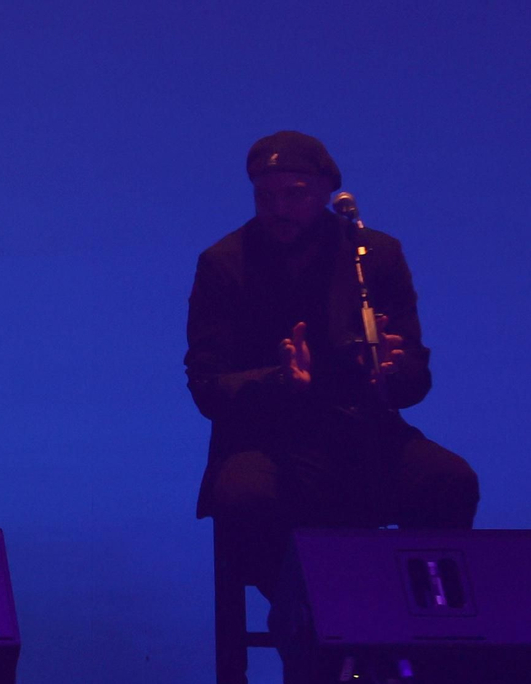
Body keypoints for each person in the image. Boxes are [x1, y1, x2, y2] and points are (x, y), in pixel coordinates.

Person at [184, 131, 479, 633]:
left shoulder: (374, 255)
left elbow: (415, 379)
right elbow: (207, 385)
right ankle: (316, 626)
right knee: (244, 499)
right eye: (265, 196)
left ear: (325, 191)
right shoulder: (224, 263)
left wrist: (389, 371)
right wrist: (279, 380)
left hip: (362, 432)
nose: (278, 207)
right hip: (265, 439)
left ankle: (435, 644)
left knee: (448, 481)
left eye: (294, 193)